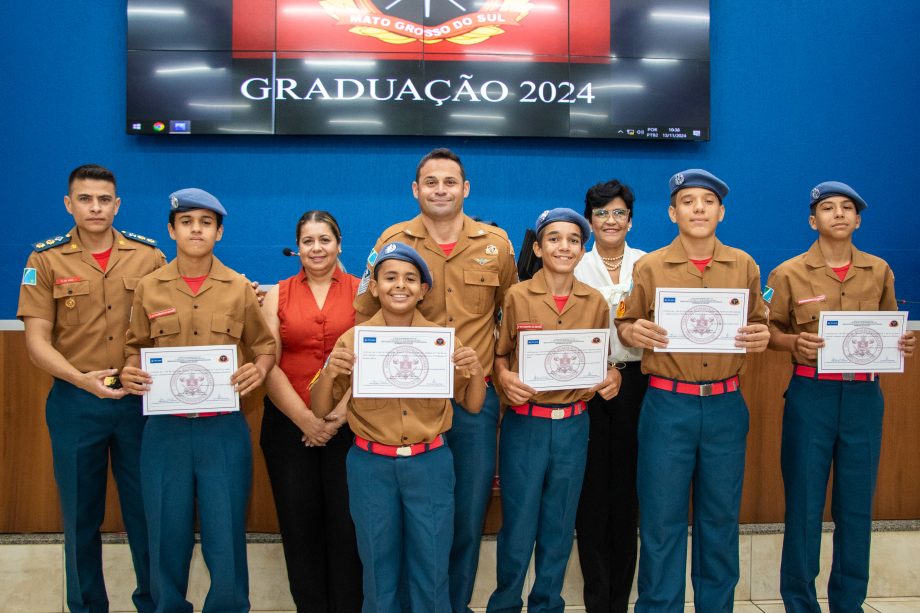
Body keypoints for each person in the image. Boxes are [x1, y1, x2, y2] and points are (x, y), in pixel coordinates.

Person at [353, 148, 517, 613]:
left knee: (464, 516)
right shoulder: (392, 239)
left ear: (465, 189)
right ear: (416, 190)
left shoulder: (497, 244)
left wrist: (499, 372)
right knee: (404, 524)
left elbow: (513, 313)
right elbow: (365, 311)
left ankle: (453, 605)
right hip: (406, 401)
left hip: (472, 400)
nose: (440, 190)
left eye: (450, 182)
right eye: (431, 182)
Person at [616, 169, 770, 612]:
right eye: (688, 201)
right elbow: (627, 323)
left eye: (707, 201)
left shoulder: (744, 264)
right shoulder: (649, 265)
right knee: (662, 522)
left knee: (719, 519)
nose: (698, 208)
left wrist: (759, 335)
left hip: (725, 405)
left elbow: (759, 321)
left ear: (721, 211)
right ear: (672, 212)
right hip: (668, 405)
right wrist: (634, 331)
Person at [121, 188, 276, 613]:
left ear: (219, 233)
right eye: (186, 222)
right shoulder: (149, 288)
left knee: (225, 535)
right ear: (171, 230)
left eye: (206, 223)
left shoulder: (239, 288)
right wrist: (130, 369)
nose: (196, 230)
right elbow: (134, 345)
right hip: (165, 431)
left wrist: (258, 370)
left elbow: (265, 347)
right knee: (165, 533)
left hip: (222, 430)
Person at [17, 164, 163, 613]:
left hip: (140, 403)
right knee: (80, 516)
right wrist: (83, 380)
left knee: (148, 516)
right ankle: (85, 606)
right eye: (85, 199)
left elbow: (167, 330)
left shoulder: (149, 257)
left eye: (104, 199)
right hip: (76, 403)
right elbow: (37, 342)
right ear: (69, 204)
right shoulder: (45, 259)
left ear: (117, 204)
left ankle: (155, 602)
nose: (95, 207)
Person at [765, 181, 916, 613]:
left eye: (847, 208)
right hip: (811, 394)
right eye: (828, 208)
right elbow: (767, 330)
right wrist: (793, 344)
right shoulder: (787, 273)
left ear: (858, 219)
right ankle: (800, 603)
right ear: (814, 221)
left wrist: (901, 344)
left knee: (855, 508)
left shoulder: (880, 270)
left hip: (865, 396)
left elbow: (891, 328)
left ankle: (849, 603)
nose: (838, 214)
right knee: (805, 506)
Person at [313, 242, 486, 613]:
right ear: (374, 287)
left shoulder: (443, 341)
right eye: (389, 277)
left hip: (430, 464)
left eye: (411, 278)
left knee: (432, 566)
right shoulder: (353, 340)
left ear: (424, 290)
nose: (400, 285)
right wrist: (331, 371)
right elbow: (321, 407)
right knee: (378, 567)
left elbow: (472, 404)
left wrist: (474, 371)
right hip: (371, 465)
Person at [487, 208, 622, 613]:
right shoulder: (516, 296)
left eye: (573, 240)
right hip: (525, 427)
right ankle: (506, 604)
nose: (564, 246)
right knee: (518, 527)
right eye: (554, 239)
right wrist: (502, 377)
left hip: (573, 426)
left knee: (560, 526)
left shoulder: (595, 302)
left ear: (583, 249)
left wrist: (613, 376)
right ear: (538, 247)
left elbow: (605, 360)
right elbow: (499, 356)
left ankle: (547, 603)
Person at [259, 210, 363, 612]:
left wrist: (336, 416)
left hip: (349, 426)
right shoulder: (277, 294)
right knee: (299, 529)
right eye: (308, 241)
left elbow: (372, 359)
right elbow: (267, 362)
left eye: (325, 240)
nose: (317, 248)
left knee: (346, 527)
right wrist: (305, 419)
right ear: (297, 247)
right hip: (289, 427)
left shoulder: (362, 292)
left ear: (339, 244)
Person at [573, 181, 648, 613]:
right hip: (587, 387)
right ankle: (597, 598)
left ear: (630, 220)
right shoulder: (575, 264)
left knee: (628, 494)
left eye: (618, 213)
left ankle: (620, 599)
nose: (610, 221)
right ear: (590, 220)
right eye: (601, 214)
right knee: (591, 493)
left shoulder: (648, 265)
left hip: (639, 385)